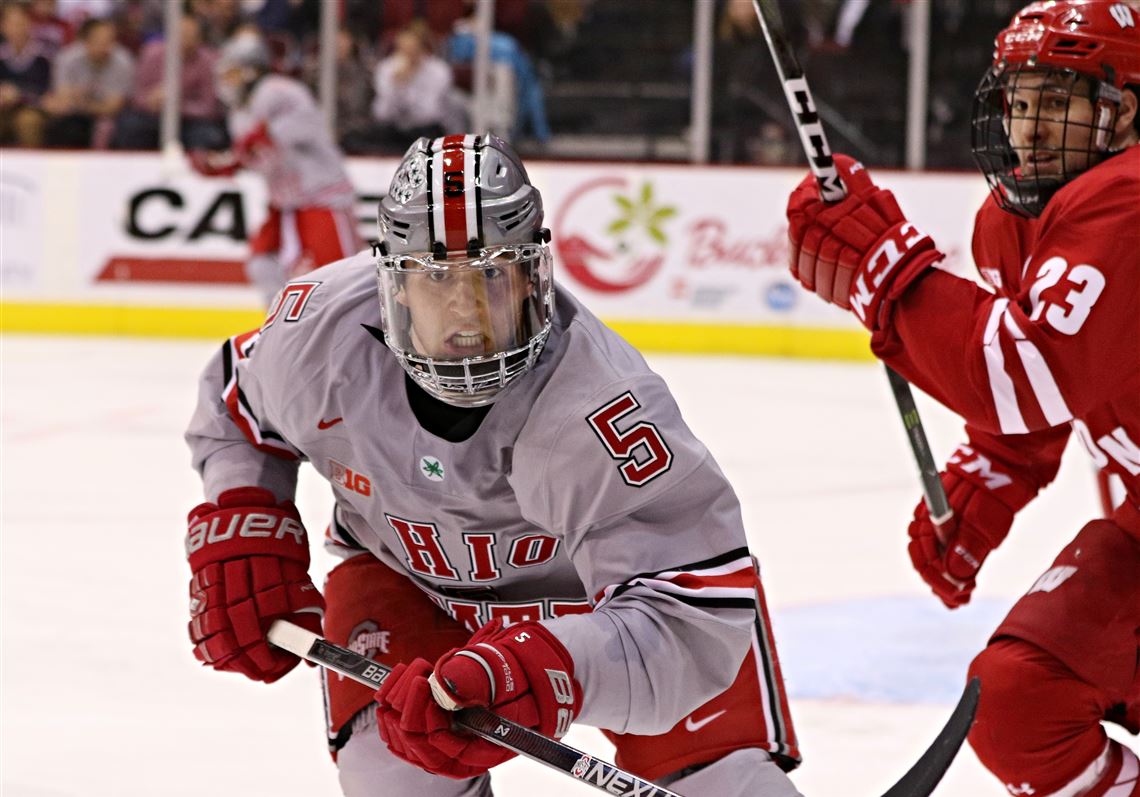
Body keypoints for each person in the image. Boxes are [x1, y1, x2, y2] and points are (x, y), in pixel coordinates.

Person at [184, 134, 803, 797]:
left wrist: (557, 665)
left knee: (728, 785)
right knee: (391, 774)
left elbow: (692, 615)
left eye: (492, 279)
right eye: (434, 282)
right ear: (387, 282)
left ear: (536, 276)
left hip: (603, 611)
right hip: (410, 583)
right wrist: (246, 510)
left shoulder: (600, 405)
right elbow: (238, 405)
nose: (464, 315)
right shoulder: (318, 332)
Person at [782, 2, 1139, 795]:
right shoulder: (1017, 217)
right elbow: (1037, 408)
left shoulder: (1130, 201)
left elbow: (1033, 370)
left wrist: (887, 272)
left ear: (1122, 113)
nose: (1030, 125)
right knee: (1018, 701)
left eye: (1057, 100)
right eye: (1019, 99)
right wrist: (985, 487)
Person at [188, 29, 360, 305]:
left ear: (249, 71)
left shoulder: (278, 90)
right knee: (262, 263)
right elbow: (258, 157)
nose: (225, 82)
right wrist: (226, 165)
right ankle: (283, 329)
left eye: (231, 73)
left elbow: (309, 123)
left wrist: (268, 134)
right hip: (285, 205)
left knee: (339, 278)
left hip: (322, 199)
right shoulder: (239, 114)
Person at [112, 12, 227, 151]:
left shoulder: (208, 61)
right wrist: (151, 100)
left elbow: (208, 106)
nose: (185, 40)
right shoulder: (151, 54)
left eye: (191, 36)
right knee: (129, 126)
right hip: (152, 114)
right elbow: (136, 95)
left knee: (209, 136)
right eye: (181, 34)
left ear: (199, 39)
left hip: (190, 119)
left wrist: (177, 104)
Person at [40, 16, 133, 148]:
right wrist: (82, 103)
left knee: (117, 127)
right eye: (99, 41)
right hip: (73, 117)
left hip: (112, 118)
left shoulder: (122, 61)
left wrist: (79, 101)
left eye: (109, 41)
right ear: (85, 42)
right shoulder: (67, 58)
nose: (104, 47)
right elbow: (62, 99)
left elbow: (114, 107)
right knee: (62, 125)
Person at [0, 2, 52, 148]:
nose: (16, 29)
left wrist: (19, 94)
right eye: (12, 24)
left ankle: (33, 165)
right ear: (3, 26)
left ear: (29, 24)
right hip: (4, 108)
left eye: (20, 23)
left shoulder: (43, 55)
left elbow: (48, 91)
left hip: (33, 108)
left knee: (27, 121)